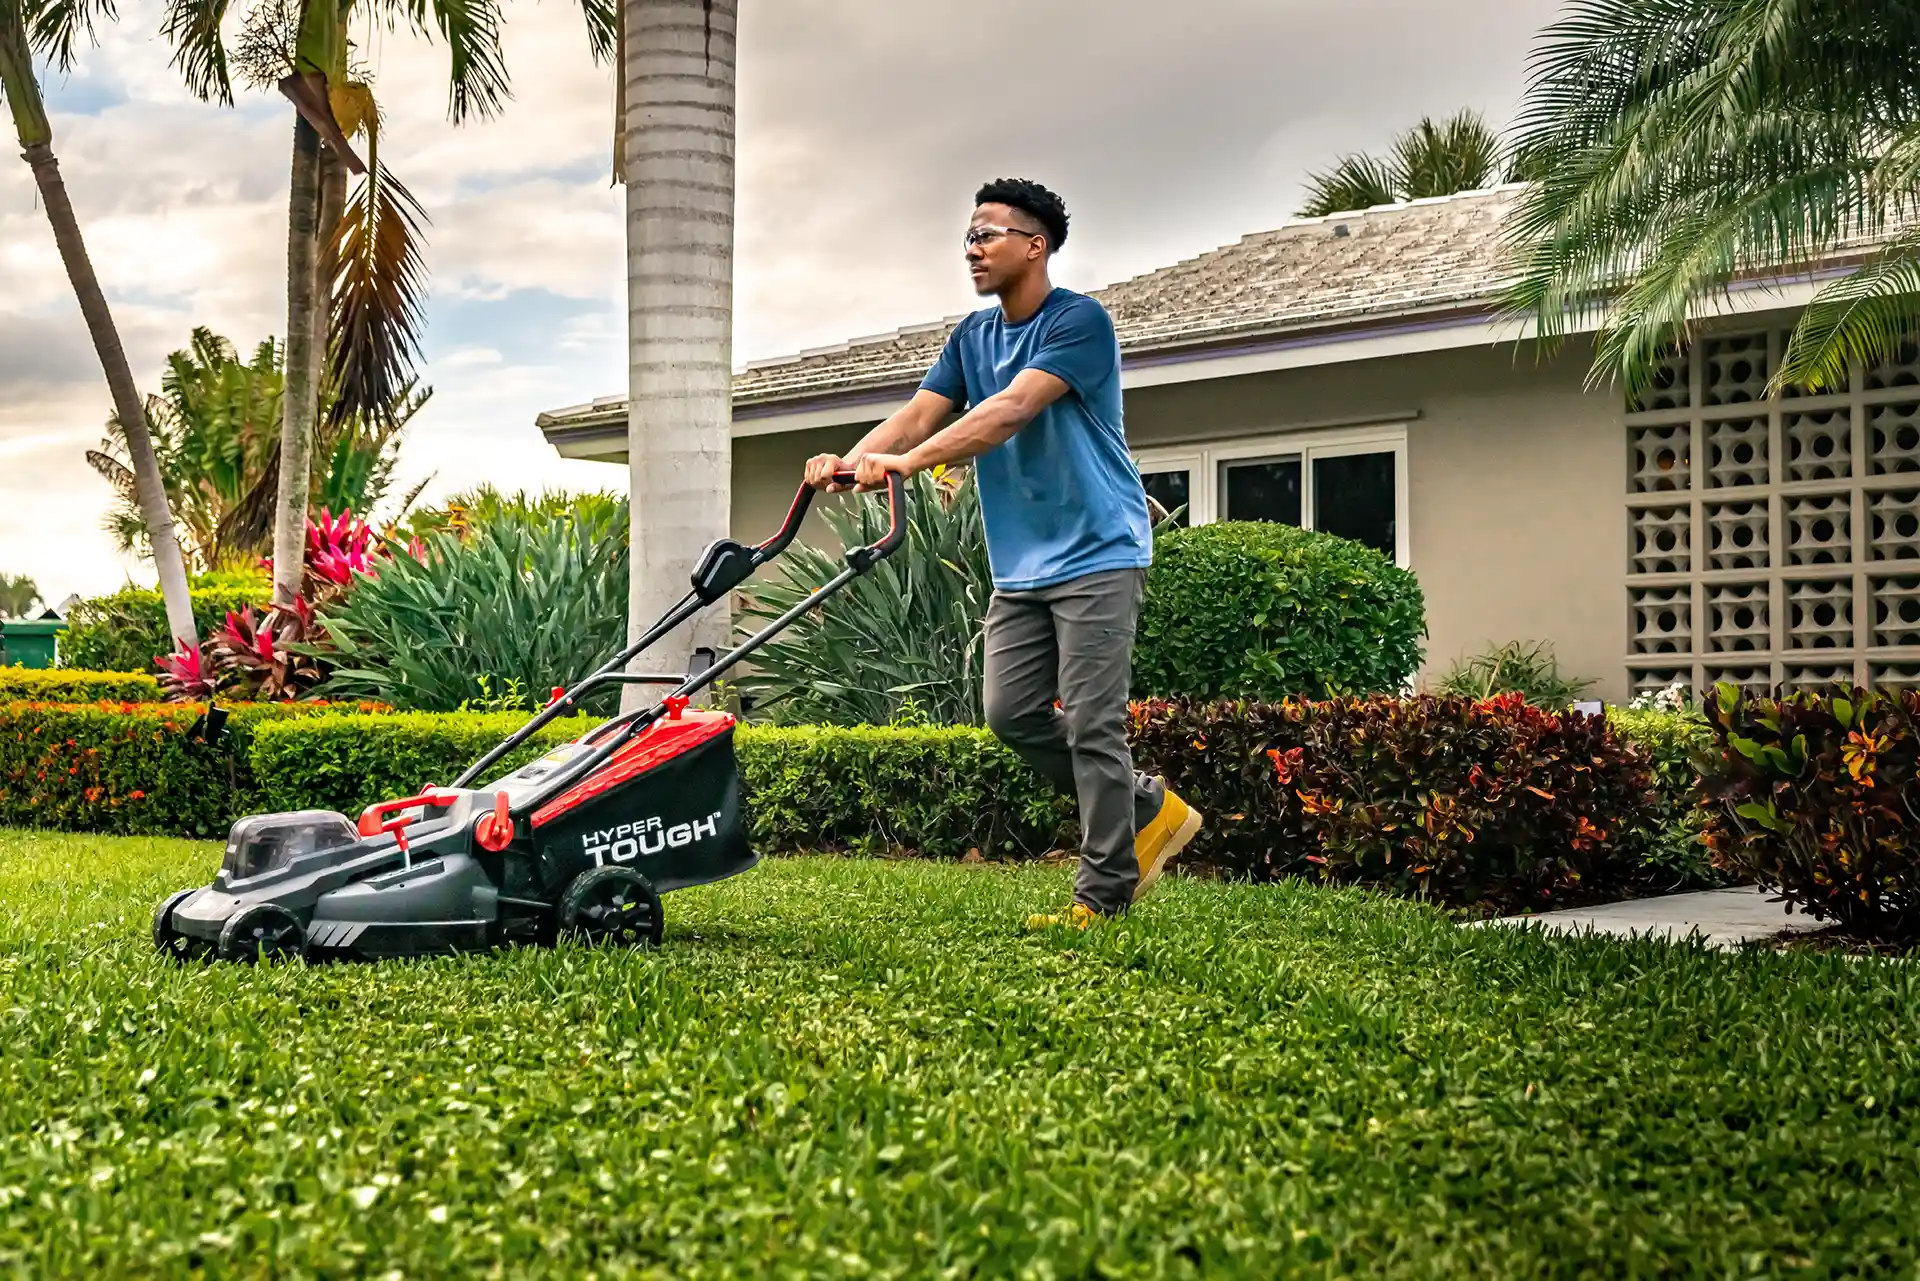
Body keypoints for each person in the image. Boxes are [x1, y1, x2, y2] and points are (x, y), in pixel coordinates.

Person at [805, 177, 1203, 929]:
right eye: (967, 236)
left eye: (987, 234)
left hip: (1098, 551)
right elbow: (921, 411)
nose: (972, 248)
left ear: (1035, 244)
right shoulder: (971, 337)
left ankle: (1102, 893)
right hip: (1022, 566)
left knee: (1093, 723)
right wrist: (851, 459)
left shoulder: (1079, 323)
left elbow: (1008, 411)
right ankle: (1147, 805)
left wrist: (909, 464)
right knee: (1011, 712)